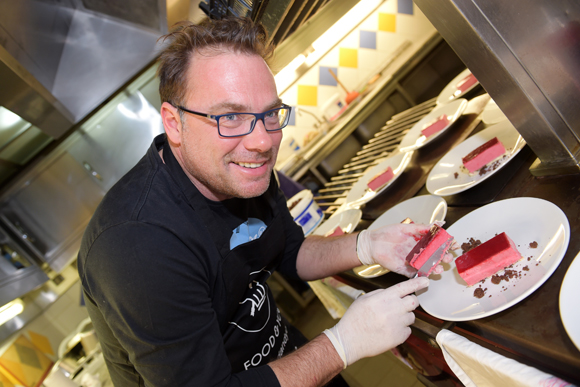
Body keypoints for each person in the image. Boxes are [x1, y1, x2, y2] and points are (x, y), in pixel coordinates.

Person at [77, 17, 451, 387]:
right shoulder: (137, 246)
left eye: (269, 114)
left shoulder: (240, 171)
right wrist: (342, 344)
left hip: (293, 364)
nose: (262, 142)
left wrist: (366, 245)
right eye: (230, 116)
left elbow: (290, 252)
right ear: (174, 123)